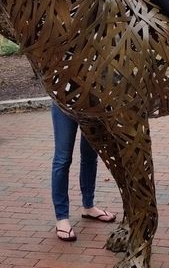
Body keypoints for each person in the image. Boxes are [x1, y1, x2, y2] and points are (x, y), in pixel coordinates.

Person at [50, 101, 116, 242]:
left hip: (91, 103)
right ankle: (61, 217)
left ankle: (88, 206)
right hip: (64, 102)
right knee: (62, 159)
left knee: (90, 156)